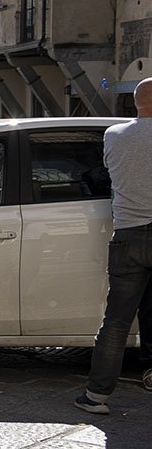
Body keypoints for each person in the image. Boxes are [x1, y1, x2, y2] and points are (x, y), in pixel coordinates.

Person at [75, 78, 152, 414]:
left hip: (129, 234)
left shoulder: (114, 134)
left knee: (116, 321)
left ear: (135, 102)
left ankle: (96, 396)